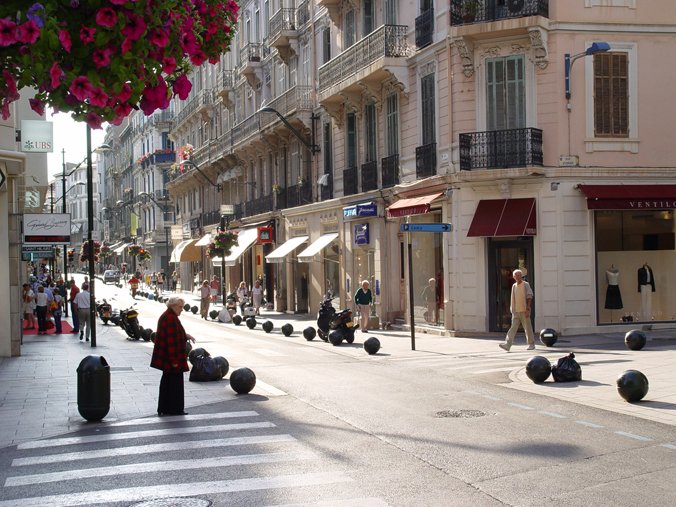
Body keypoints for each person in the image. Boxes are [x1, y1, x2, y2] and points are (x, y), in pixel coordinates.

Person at [150, 296, 195, 416]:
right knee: (174, 385)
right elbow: (171, 341)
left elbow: (175, 333)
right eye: (180, 307)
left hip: (168, 358)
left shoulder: (169, 316)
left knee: (168, 383)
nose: (182, 309)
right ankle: (174, 409)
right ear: (173, 306)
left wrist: (186, 335)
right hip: (172, 359)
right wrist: (174, 361)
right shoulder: (170, 318)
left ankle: (165, 408)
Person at [499, 269, 535, 352]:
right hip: (516, 311)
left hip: (524, 310)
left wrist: (528, 308)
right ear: (514, 277)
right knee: (512, 328)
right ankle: (507, 345)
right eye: (516, 275)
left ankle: (531, 344)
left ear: (521, 276)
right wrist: (512, 310)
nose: (518, 277)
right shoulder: (514, 286)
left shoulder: (525, 284)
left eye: (519, 275)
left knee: (527, 328)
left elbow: (530, 296)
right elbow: (513, 298)